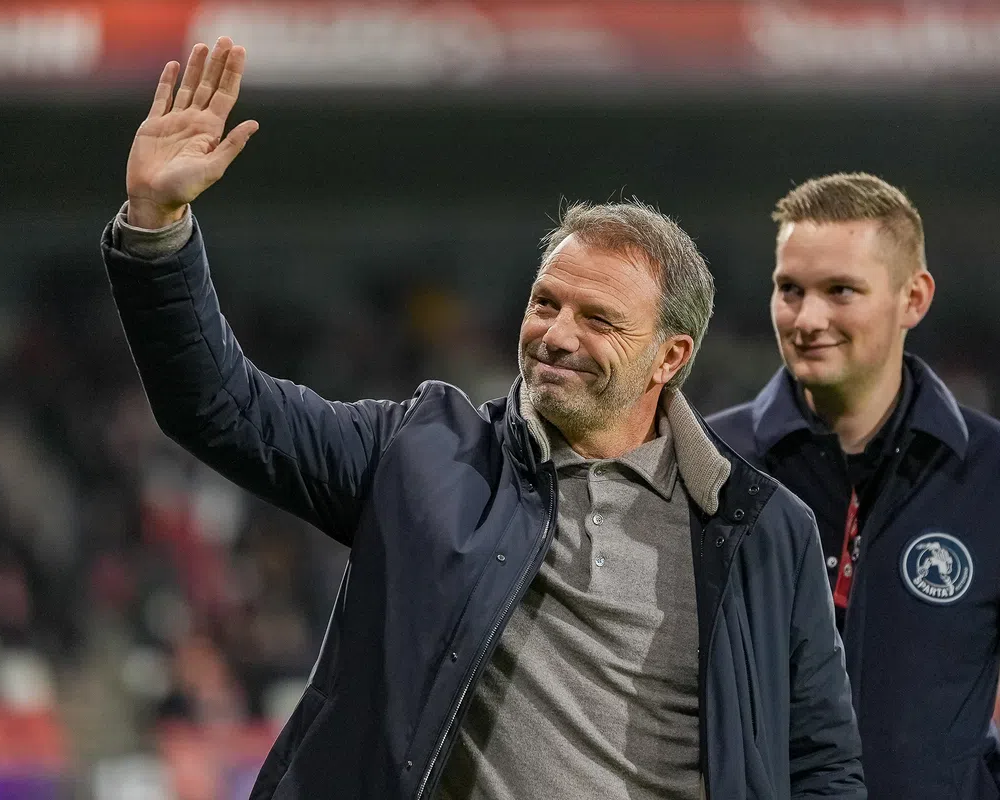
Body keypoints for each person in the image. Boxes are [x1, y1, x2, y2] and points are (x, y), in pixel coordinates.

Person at [100, 38, 865, 800]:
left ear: (670, 357)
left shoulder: (763, 529)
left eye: (598, 318)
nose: (556, 334)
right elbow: (222, 407)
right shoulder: (425, 454)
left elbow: (822, 762)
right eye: (545, 303)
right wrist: (158, 226)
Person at [707, 172, 1000, 799]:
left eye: (840, 290)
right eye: (789, 289)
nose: (807, 318)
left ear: (914, 298)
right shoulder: (711, 461)